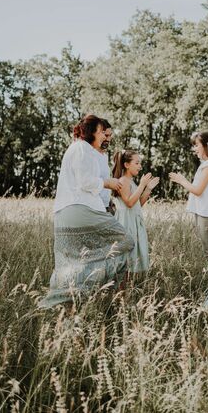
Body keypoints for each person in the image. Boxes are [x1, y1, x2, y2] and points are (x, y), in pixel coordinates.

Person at [39, 115, 135, 309]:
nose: (104, 136)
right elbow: (86, 181)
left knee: (69, 262)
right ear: (91, 132)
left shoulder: (82, 149)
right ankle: (91, 276)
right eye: (101, 132)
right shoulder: (82, 148)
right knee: (126, 241)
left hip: (66, 212)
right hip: (81, 208)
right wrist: (109, 183)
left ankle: (65, 304)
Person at [169, 131, 208, 305]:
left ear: (206, 146)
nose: (194, 148)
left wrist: (181, 180)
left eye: (196, 145)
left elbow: (197, 190)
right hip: (203, 213)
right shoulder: (205, 165)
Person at [112, 150, 159, 274]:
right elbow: (129, 203)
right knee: (124, 258)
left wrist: (147, 189)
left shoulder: (132, 182)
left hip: (133, 221)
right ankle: (120, 290)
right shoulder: (123, 181)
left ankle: (126, 290)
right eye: (137, 163)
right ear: (127, 165)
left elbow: (138, 204)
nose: (140, 166)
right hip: (126, 222)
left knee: (132, 258)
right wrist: (142, 184)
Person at [94, 118, 115, 213]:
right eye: (106, 135)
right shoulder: (91, 154)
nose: (108, 139)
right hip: (95, 207)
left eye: (110, 135)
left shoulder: (105, 156)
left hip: (106, 205)